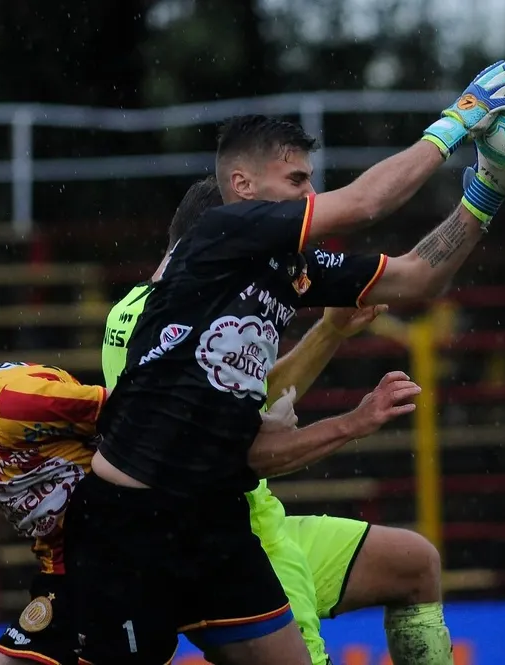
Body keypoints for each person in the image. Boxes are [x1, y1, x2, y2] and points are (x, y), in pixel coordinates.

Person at [67, 58, 505, 665]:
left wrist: (489, 191)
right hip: (129, 528)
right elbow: (367, 204)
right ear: (243, 188)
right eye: (297, 181)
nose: (311, 195)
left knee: (408, 568)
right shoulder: (220, 234)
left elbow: (420, 278)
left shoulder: (292, 270)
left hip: (216, 524)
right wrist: (459, 120)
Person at [0, 309, 417, 665]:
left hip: (158, 549)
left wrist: (263, 427)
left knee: (412, 566)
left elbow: (144, 416)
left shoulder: (11, 399)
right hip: (74, 578)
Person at [103, 177, 444, 665]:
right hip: (229, 540)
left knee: (412, 564)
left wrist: (329, 332)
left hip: (262, 520)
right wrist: (352, 422)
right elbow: (226, 453)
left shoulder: (177, 307)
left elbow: (250, 395)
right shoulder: (158, 316)